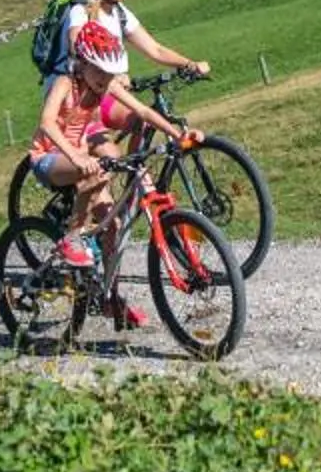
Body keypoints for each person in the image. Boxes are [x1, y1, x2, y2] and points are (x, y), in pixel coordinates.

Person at [27, 21, 197, 330]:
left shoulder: (105, 85)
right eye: (99, 72)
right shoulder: (66, 83)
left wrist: (177, 134)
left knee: (114, 225)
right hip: (50, 157)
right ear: (82, 63)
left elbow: (143, 113)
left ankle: (109, 298)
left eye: (110, 73)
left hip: (81, 157)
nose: (105, 80)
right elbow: (48, 123)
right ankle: (71, 239)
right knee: (94, 173)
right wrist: (76, 154)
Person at [55, 0, 208, 90]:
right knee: (141, 118)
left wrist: (189, 64)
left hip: (116, 89)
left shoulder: (120, 12)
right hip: (84, 94)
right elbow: (77, 50)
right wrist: (112, 77)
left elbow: (155, 50)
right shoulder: (81, 11)